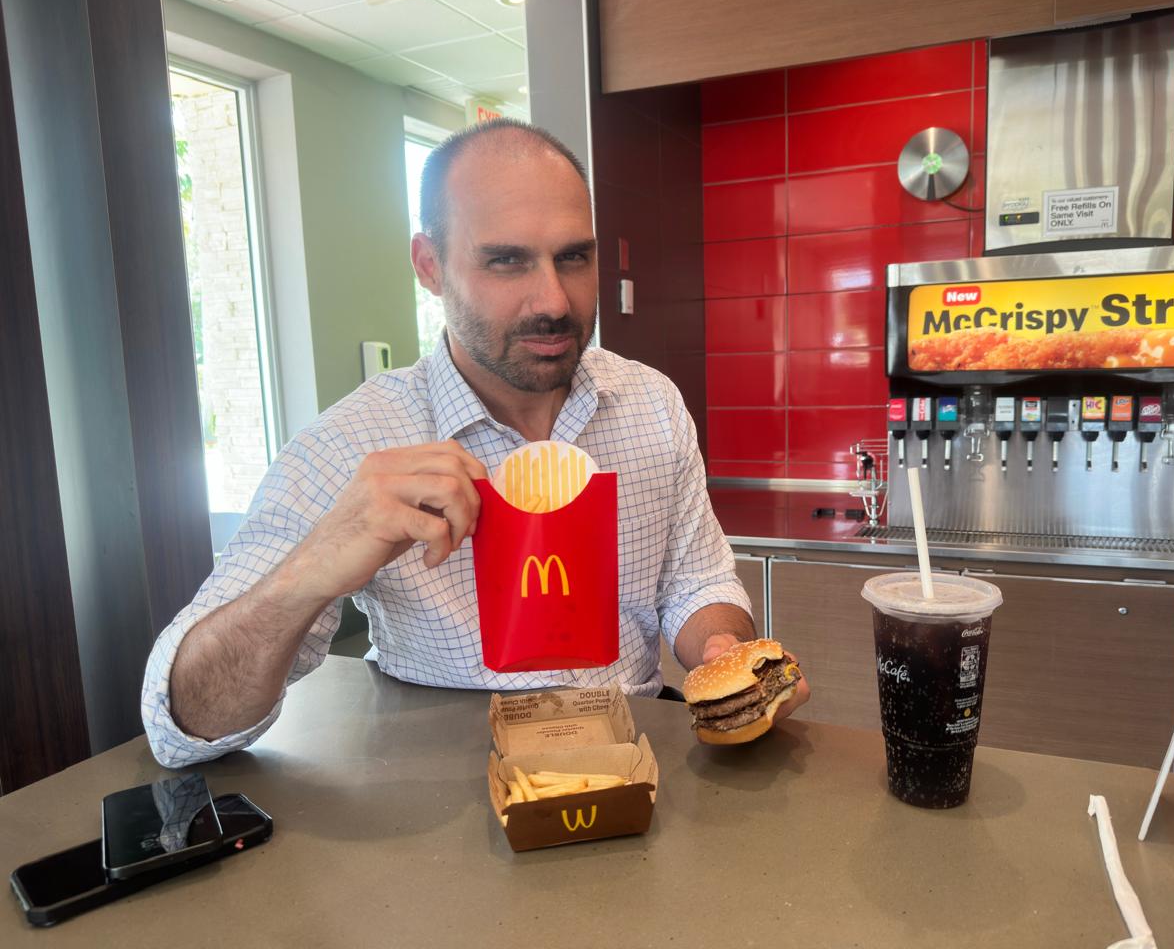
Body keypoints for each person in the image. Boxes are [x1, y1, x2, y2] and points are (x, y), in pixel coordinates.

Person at [141, 118, 809, 768]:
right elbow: (181, 726)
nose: (553, 299)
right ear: (429, 266)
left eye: (573, 257)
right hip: (439, 799)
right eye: (506, 261)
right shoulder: (353, 444)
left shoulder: (650, 406)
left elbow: (696, 578)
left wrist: (724, 648)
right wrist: (309, 570)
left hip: (629, 769)